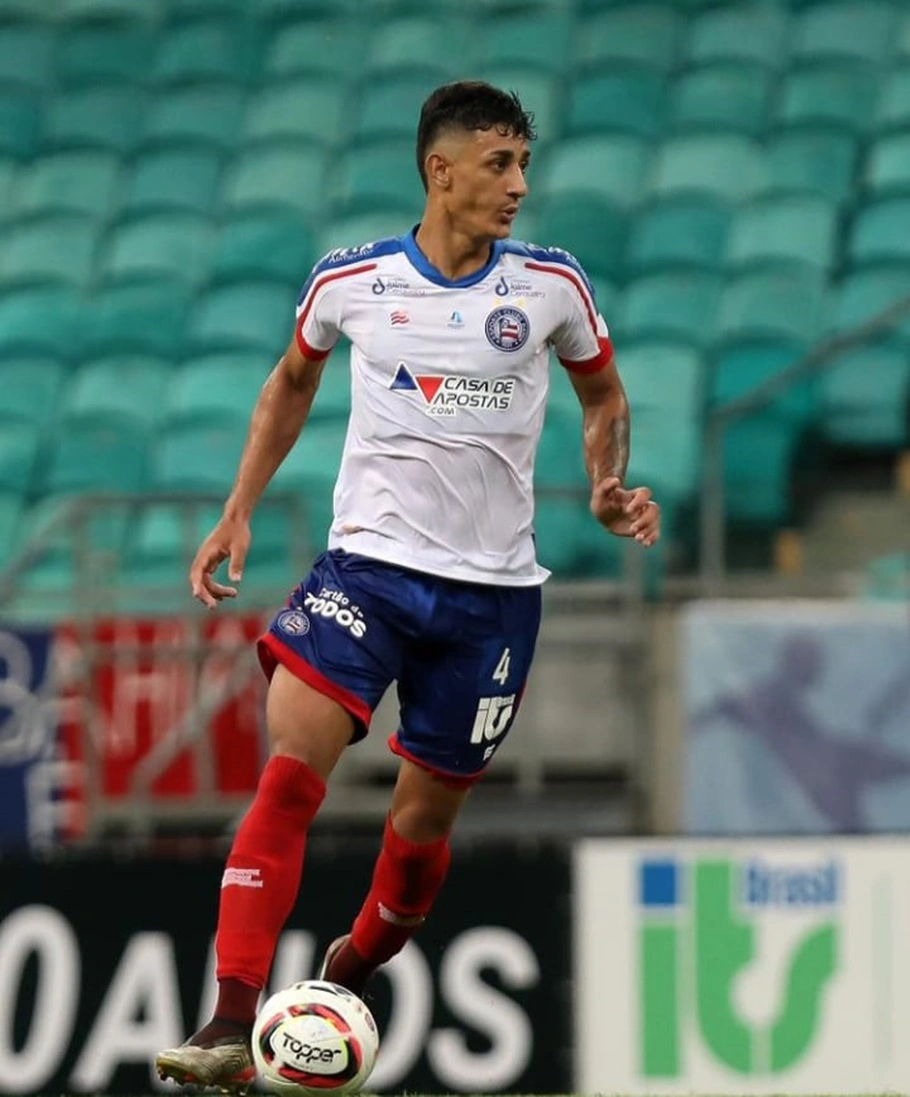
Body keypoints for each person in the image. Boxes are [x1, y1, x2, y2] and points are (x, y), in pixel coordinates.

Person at [156, 80, 661, 1092]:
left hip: (491, 602)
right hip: (368, 570)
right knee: (291, 767)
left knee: (420, 829)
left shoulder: (551, 286)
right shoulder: (352, 281)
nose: (519, 184)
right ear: (440, 170)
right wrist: (238, 505)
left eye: (524, 163)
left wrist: (606, 482)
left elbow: (602, 391)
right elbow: (290, 381)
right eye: (498, 163)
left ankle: (343, 975)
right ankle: (228, 1015)